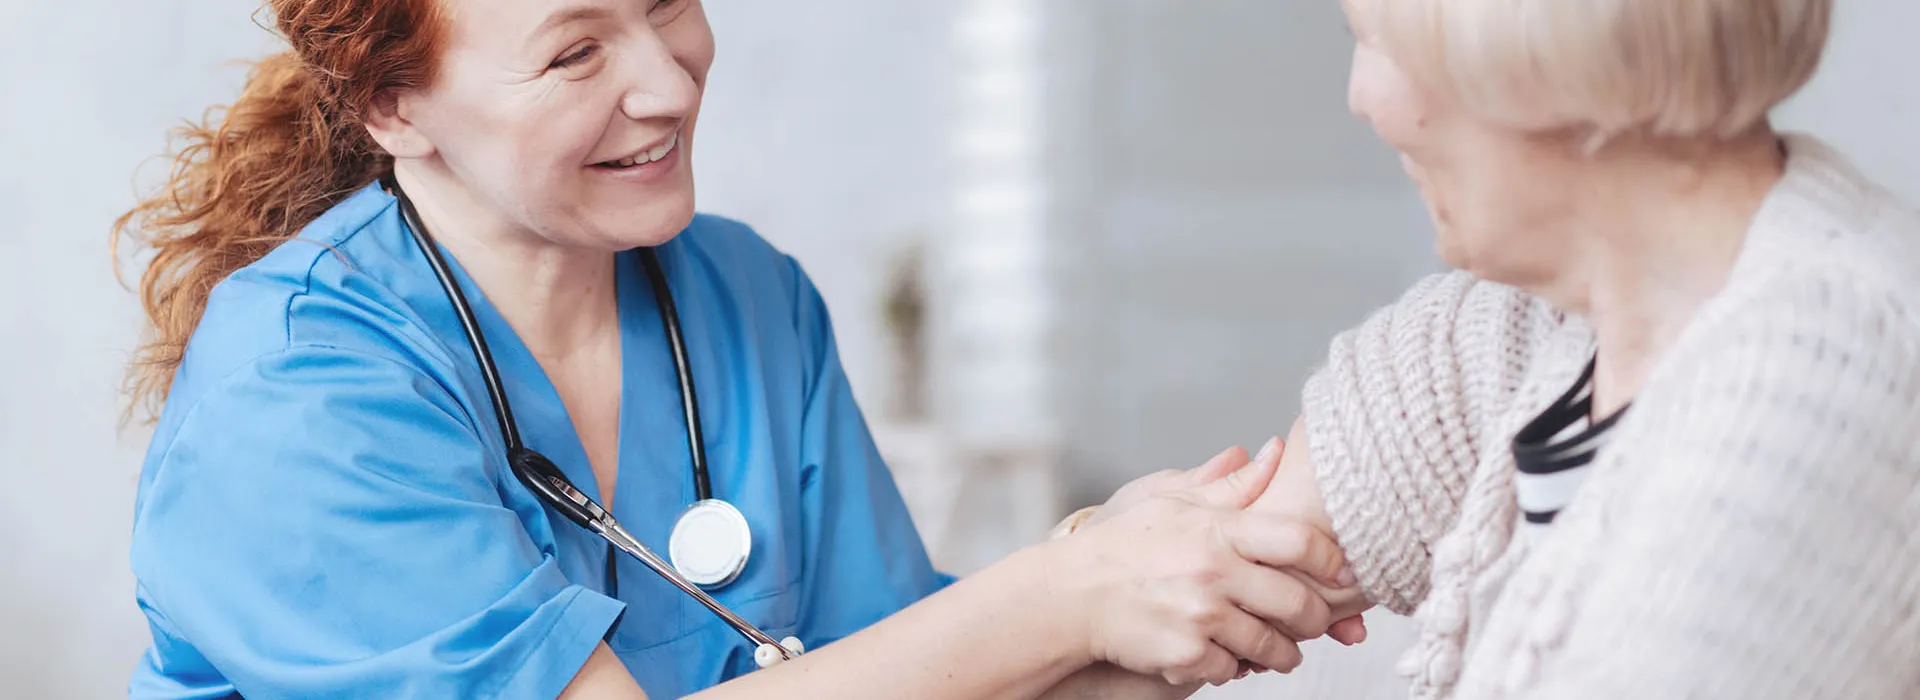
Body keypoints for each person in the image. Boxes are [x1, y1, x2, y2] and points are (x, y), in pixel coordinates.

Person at [112, 0, 1367, 698]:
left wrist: (1194, 581)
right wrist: (1064, 591)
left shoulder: (744, 296)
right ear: (395, 107)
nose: (666, 82)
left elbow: (933, 677)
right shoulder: (294, 388)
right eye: (576, 50)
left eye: (666, 4)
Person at [1224, 0, 1920, 697]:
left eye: (1384, 44)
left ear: (1563, 55)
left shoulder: (1811, 391)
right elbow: (1224, 563)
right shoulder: (1552, 322)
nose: (1363, 98)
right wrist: (1107, 596)